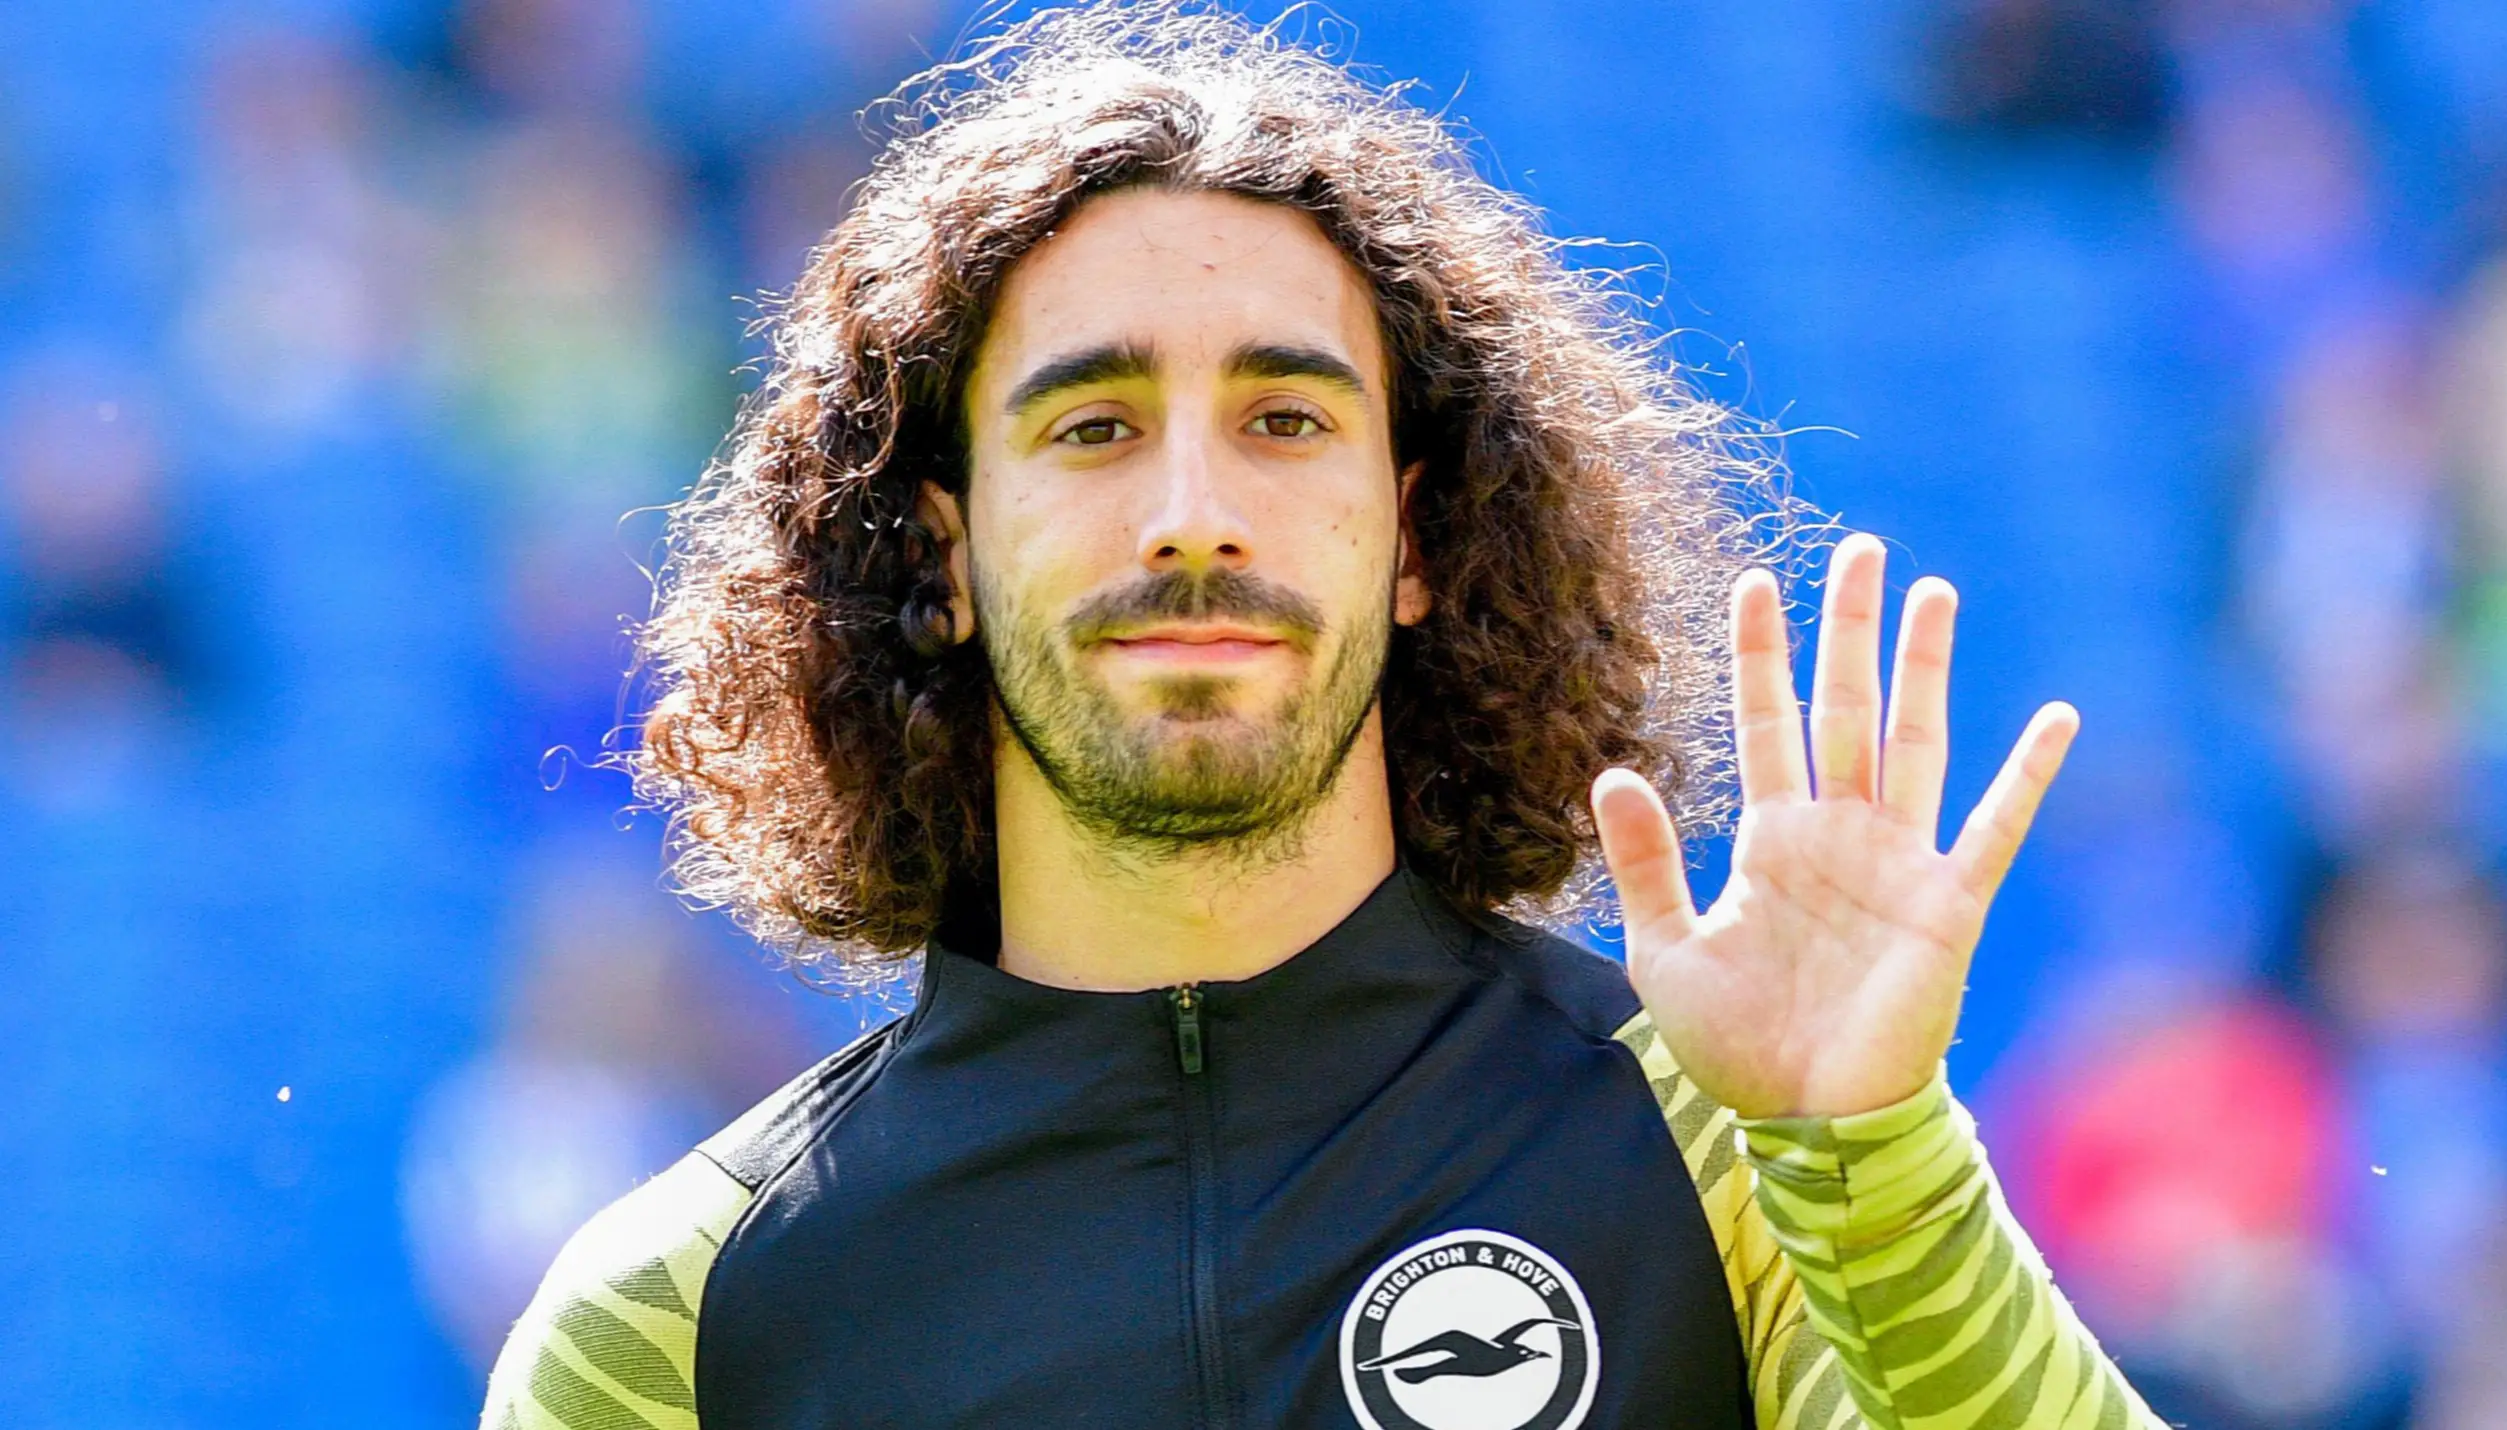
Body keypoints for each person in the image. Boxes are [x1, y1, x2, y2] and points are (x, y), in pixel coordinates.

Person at [482, 5, 2160, 1427]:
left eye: (1284, 419)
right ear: (947, 549)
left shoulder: (1734, 1163)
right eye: (1092, 427)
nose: (1193, 511)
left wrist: (1878, 1165)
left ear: (1419, 536)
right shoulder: (688, 1315)